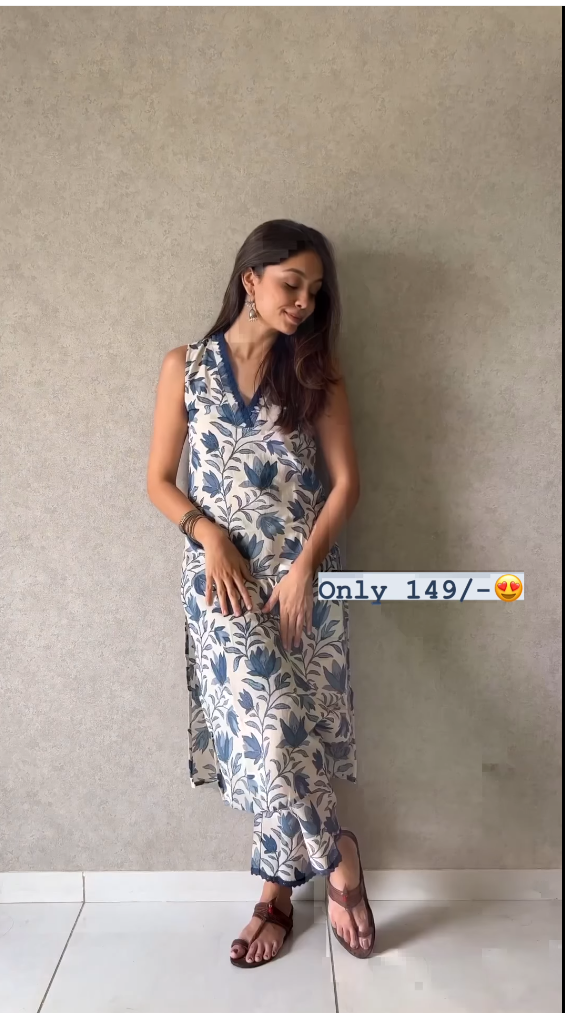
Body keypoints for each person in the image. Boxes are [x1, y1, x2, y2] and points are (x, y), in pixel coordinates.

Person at [146, 219, 375, 966]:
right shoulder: (185, 366)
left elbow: (346, 483)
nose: (303, 302)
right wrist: (207, 534)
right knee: (268, 736)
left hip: (303, 582)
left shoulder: (315, 371)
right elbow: (158, 481)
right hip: (223, 586)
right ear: (251, 278)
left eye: (315, 291)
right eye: (290, 284)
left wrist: (307, 566)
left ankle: (274, 896)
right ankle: (338, 855)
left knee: (290, 733)